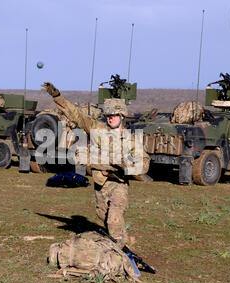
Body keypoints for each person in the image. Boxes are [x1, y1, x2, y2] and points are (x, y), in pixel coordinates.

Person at [41, 82, 150, 248]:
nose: (110, 118)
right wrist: (57, 96)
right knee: (104, 216)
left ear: (122, 116)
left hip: (118, 184)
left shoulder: (130, 139)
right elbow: (75, 114)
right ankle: (124, 240)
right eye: (107, 115)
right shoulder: (97, 129)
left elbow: (144, 162)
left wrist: (125, 166)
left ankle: (118, 252)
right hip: (100, 184)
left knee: (114, 217)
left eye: (113, 115)